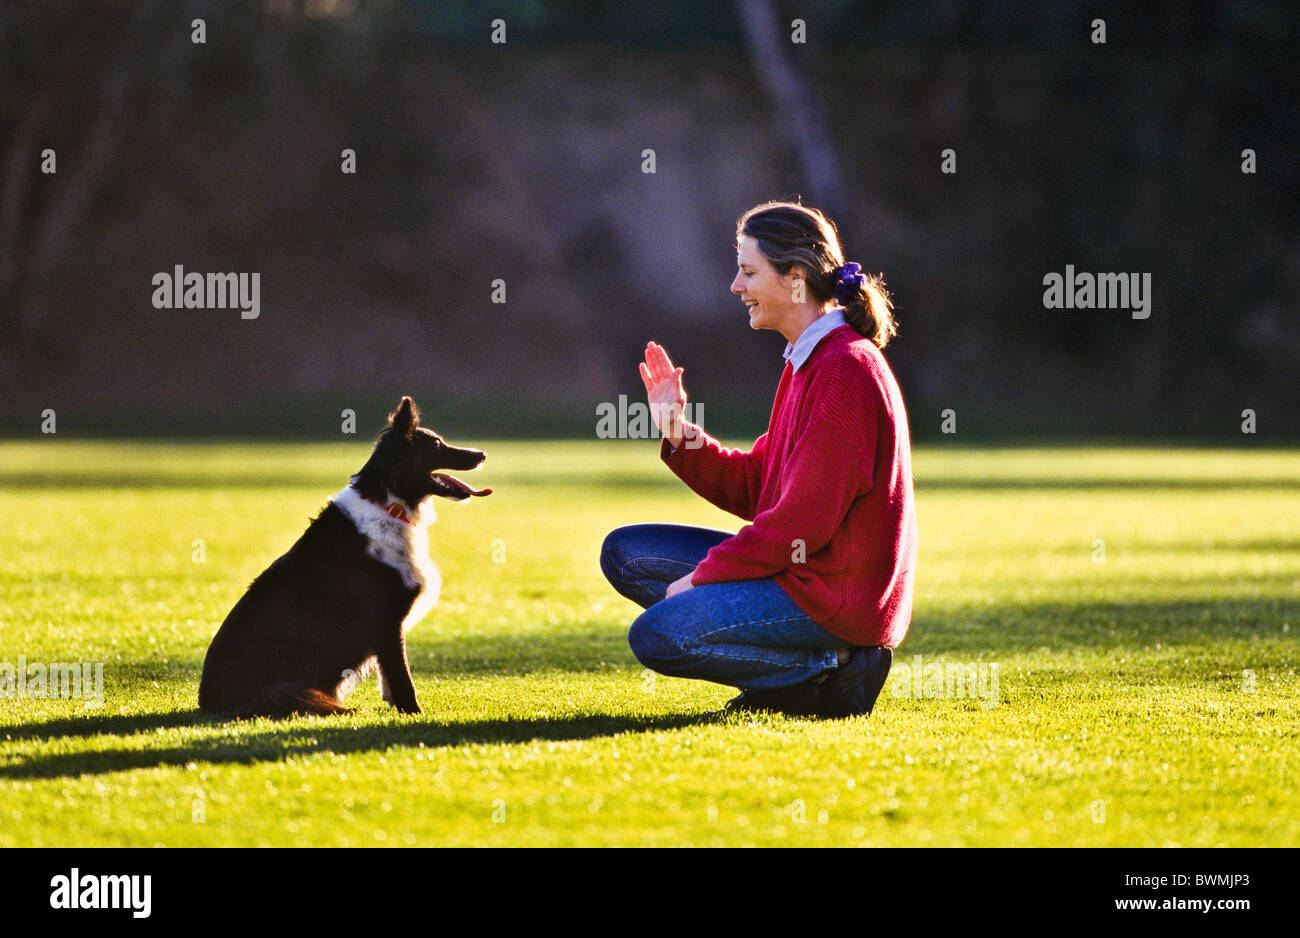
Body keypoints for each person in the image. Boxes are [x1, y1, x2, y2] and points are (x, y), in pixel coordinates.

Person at [599, 200, 918, 718]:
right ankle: (792, 680)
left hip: (834, 598)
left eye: (749, 272)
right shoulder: (807, 360)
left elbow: (798, 527)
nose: (735, 286)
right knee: (626, 553)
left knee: (659, 634)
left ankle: (833, 665)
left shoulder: (845, 370)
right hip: (801, 573)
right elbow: (757, 486)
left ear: (795, 280)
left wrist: (700, 579)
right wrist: (679, 432)